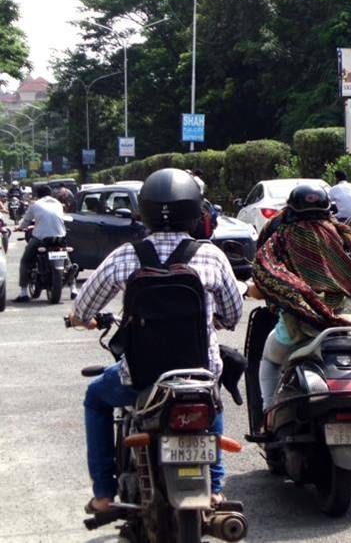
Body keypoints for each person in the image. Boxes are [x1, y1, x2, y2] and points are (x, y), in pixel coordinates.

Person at [69, 168, 244, 513]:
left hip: (140, 379)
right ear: (195, 211)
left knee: (95, 398)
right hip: (198, 375)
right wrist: (216, 320)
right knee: (212, 388)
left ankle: (104, 494)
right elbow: (233, 314)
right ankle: (216, 488)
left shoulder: (126, 256)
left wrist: (80, 320)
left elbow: (82, 307)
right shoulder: (211, 255)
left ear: (144, 211)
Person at [252, 184, 351, 411]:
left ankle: (268, 410)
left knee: (270, 361)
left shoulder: (281, 236)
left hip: (298, 325)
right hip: (347, 323)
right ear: (327, 209)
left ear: (290, 211)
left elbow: (266, 272)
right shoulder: (341, 234)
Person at [13, 184, 66, 303]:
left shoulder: (35, 205)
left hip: (41, 238)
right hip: (60, 237)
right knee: (67, 257)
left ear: (38, 195)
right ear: (51, 194)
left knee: (25, 260)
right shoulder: (58, 204)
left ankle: (23, 292)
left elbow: (26, 221)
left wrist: (20, 227)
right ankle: (73, 288)